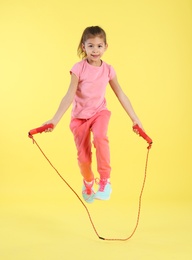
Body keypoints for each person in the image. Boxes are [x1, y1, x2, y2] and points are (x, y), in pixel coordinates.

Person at [44, 26, 143, 203]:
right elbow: (69, 95)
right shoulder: (78, 68)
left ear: (106, 47)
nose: (95, 50)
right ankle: (88, 181)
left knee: (100, 137)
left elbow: (120, 94)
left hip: (99, 113)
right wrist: (55, 119)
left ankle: (105, 181)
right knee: (83, 157)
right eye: (91, 46)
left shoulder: (108, 70)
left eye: (99, 46)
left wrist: (135, 118)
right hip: (79, 118)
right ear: (83, 47)